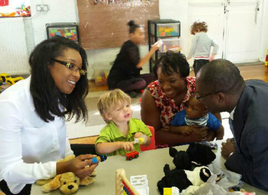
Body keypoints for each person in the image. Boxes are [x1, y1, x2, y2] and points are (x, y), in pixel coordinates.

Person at [0, 36, 98, 195]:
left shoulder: (55, 93)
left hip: (55, 171)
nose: (77, 75)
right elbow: (10, 171)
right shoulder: (9, 103)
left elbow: (61, 139)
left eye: (79, 70)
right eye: (71, 66)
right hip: (25, 183)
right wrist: (63, 167)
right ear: (47, 63)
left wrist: (71, 164)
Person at [195, 59, 268, 194]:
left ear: (220, 98)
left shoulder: (261, 130)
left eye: (201, 96)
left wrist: (232, 155)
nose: (199, 100)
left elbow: (266, 182)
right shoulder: (252, 87)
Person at [141, 51, 221, 147]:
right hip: (165, 149)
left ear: (184, 77)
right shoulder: (151, 94)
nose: (165, 87)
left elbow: (217, 121)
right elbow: (152, 133)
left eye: (172, 81)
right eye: (161, 81)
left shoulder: (199, 86)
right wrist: (188, 139)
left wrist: (205, 139)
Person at [107, 20, 161, 98]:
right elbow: (139, 64)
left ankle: (132, 90)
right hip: (117, 82)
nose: (142, 36)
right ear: (131, 35)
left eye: (143, 34)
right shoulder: (128, 46)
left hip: (130, 78)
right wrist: (152, 50)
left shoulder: (134, 45)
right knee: (141, 83)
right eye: (140, 34)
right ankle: (125, 91)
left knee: (153, 76)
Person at [95, 89, 152, 156]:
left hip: (135, 160)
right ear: (109, 116)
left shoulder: (138, 124)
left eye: (127, 106)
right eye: (119, 109)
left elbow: (149, 142)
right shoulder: (107, 131)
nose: (126, 110)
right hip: (117, 165)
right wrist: (120, 144)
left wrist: (143, 138)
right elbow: (100, 148)